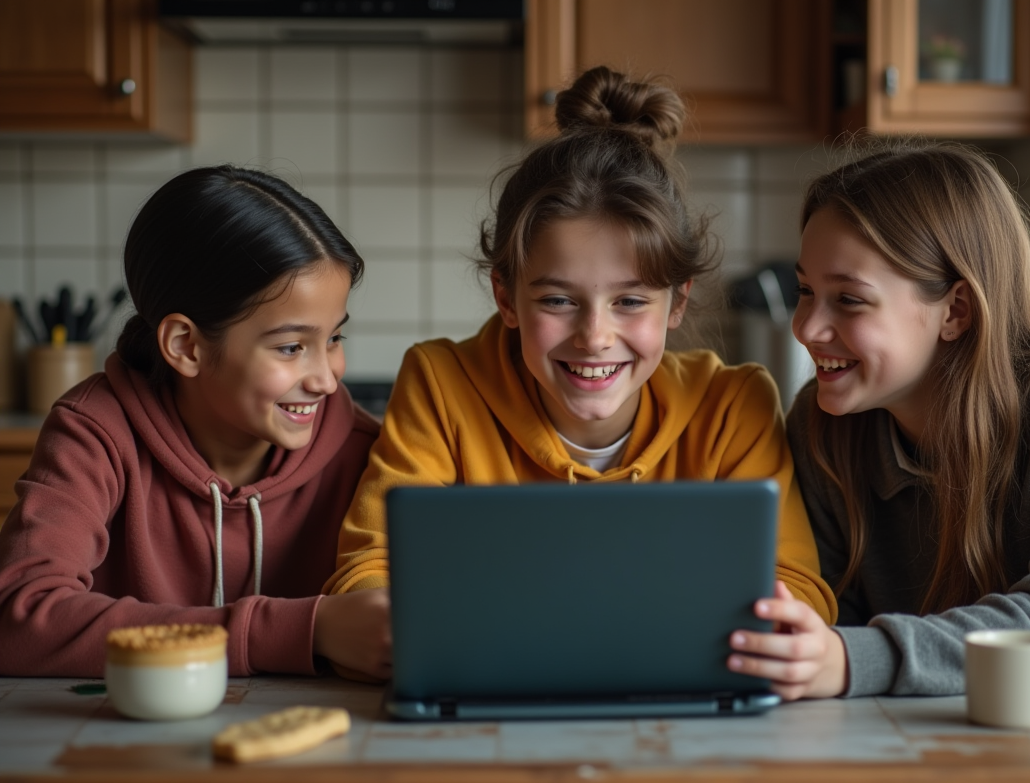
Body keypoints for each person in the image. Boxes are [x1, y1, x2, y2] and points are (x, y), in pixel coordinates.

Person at [322, 66, 837, 681]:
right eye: (558, 300)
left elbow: (796, 584)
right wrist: (385, 616)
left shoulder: (733, 405)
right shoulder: (440, 383)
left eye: (630, 301)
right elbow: (370, 568)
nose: (595, 336)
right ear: (507, 298)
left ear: (676, 303)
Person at [724, 140, 1030, 699]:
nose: (805, 328)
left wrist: (856, 659)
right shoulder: (821, 425)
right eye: (806, 291)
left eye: (848, 299)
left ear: (955, 310)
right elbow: (836, 622)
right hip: (935, 719)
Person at [0, 166, 390, 677]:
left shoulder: (365, 453)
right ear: (186, 346)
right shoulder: (95, 432)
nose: (327, 379)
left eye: (334, 339)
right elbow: (19, 619)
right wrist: (303, 630)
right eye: (291, 347)